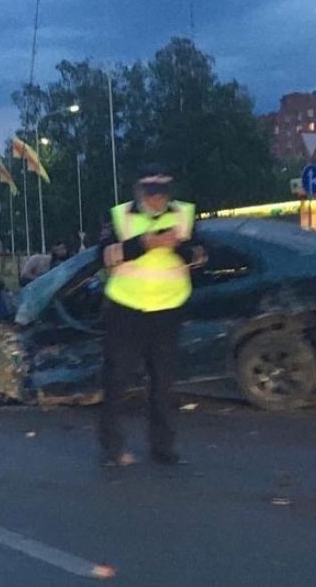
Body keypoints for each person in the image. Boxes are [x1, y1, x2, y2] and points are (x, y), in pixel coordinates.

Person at [97, 165, 200, 467]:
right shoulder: (119, 217)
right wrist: (145, 243)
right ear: (139, 191)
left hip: (168, 309)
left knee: (164, 384)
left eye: (162, 195)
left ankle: (163, 448)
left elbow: (200, 254)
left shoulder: (183, 214)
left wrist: (186, 250)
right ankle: (113, 446)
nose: (157, 201)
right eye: (151, 195)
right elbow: (104, 256)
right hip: (126, 308)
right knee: (117, 380)